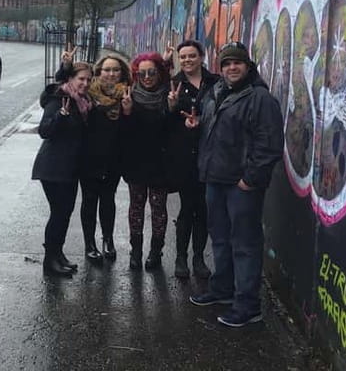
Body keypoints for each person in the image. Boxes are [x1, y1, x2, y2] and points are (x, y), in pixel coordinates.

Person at [186, 42, 284, 328]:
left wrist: (249, 179)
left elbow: (270, 145)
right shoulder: (217, 91)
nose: (231, 68)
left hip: (241, 185)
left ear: (247, 65)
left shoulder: (260, 99)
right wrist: (199, 123)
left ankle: (247, 306)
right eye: (227, 63)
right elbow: (217, 128)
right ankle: (222, 290)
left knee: (245, 244)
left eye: (237, 63)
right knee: (220, 239)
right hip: (215, 179)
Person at [58, 50, 132, 263]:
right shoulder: (87, 92)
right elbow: (63, 84)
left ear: (122, 72)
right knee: (89, 201)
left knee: (108, 200)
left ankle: (107, 240)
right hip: (89, 157)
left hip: (114, 157)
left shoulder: (128, 93)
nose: (111, 74)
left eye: (116, 70)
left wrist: (127, 113)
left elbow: (131, 131)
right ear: (99, 71)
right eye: (107, 69)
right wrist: (66, 65)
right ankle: (89, 244)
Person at [31, 62, 93, 277]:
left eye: (88, 79)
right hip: (53, 167)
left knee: (65, 213)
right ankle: (50, 261)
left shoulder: (83, 101)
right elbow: (45, 130)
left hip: (70, 168)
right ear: (71, 79)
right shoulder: (60, 98)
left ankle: (58, 254)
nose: (85, 83)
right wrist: (61, 115)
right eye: (81, 79)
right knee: (58, 213)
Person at [165, 39, 220, 279]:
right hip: (185, 156)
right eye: (183, 57)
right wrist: (172, 108)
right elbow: (164, 124)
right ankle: (180, 258)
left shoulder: (215, 83)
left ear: (201, 57)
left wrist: (202, 123)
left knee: (204, 210)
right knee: (188, 208)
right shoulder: (174, 84)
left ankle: (199, 258)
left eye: (192, 56)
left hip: (210, 155)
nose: (187, 60)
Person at [121, 52, 171, 271]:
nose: (147, 77)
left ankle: (155, 251)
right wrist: (128, 112)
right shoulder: (129, 95)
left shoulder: (169, 95)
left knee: (158, 208)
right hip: (136, 160)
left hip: (161, 161)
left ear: (160, 72)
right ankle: (136, 251)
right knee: (136, 207)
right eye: (142, 73)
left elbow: (172, 130)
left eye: (152, 72)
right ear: (136, 75)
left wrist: (173, 108)